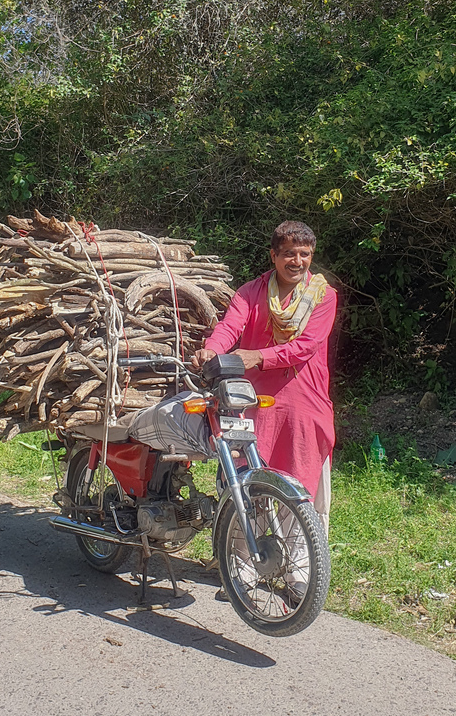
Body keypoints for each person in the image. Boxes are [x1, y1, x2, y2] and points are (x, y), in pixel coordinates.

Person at [130, 220, 337, 533]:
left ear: (312, 254)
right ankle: (240, 564)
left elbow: (305, 347)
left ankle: (301, 574)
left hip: (303, 405)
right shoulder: (251, 292)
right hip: (254, 402)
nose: (297, 261)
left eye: (304, 254)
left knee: (301, 486)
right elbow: (230, 326)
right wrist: (212, 350)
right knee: (245, 479)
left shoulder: (323, 296)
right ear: (274, 255)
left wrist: (258, 356)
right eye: (289, 254)